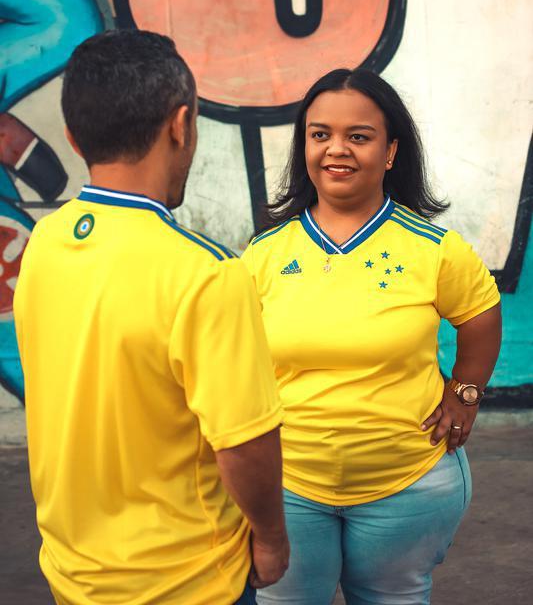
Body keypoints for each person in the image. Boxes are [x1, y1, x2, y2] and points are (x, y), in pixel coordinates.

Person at [14, 30, 289, 605]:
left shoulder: (44, 242)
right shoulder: (208, 275)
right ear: (180, 124)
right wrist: (271, 538)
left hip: (73, 573)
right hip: (187, 581)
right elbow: (243, 445)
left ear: (71, 135)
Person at [241, 68, 502, 605]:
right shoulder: (263, 253)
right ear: (305, 146)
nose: (337, 150)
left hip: (410, 483)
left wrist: (467, 392)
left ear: (389, 152)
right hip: (287, 487)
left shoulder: (432, 248)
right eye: (320, 135)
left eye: (358, 136)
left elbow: (480, 314)